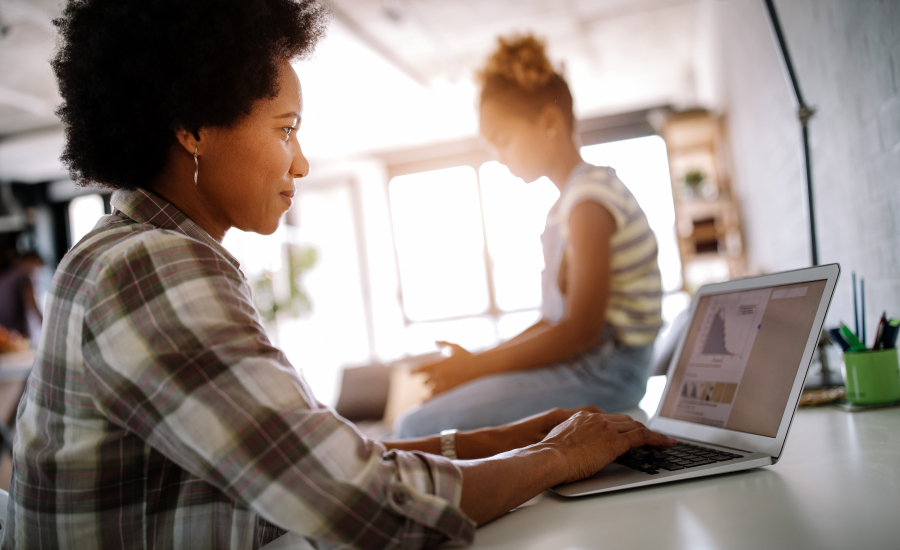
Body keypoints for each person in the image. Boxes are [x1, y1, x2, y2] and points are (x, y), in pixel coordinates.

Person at [3, 3, 674, 549]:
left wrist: (509, 437)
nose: (300, 164)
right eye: (286, 129)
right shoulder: (150, 269)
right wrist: (560, 459)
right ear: (193, 129)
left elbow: (302, 460)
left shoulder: (127, 250)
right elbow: (357, 501)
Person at [395, 35, 663, 438]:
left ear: (550, 123)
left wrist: (479, 367)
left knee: (419, 425)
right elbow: (553, 321)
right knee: (422, 419)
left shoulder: (590, 201)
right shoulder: (568, 206)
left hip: (607, 374)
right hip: (587, 364)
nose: (499, 157)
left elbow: (580, 331)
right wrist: (479, 361)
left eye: (502, 140)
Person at [0, 250, 44, 343]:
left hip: (5, 332)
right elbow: (33, 304)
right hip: (19, 333)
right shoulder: (24, 275)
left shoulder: (7, 275)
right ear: (30, 260)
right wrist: (46, 325)